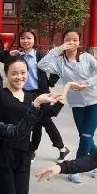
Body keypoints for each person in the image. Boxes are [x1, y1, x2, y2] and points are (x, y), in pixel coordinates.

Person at [0, 57, 64, 194]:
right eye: (14, 73)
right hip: (4, 153)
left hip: (24, 153)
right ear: (6, 74)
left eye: (23, 73)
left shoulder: (31, 97)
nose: (19, 77)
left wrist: (64, 95)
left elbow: (48, 114)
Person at [37, 28, 97, 183]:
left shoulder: (86, 57)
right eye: (68, 40)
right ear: (63, 41)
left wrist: (87, 83)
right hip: (77, 104)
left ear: (79, 41)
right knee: (85, 137)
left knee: (86, 136)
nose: (71, 42)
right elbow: (42, 65)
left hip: (95, 101)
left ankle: (76, 168)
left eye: (75, 40)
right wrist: (58, 50)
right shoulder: (59, 61)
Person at [18, 27, 70, 161]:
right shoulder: (18, 56)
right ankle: (55, 149)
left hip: (41, 92)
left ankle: (38, 149)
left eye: (29, 38)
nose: (25, 41)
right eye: (23, 38)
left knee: (45, 121)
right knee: (36, 122)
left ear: (34, 39)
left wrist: (50, 82)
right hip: (26, 94)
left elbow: (56, 69)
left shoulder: (40, 56)